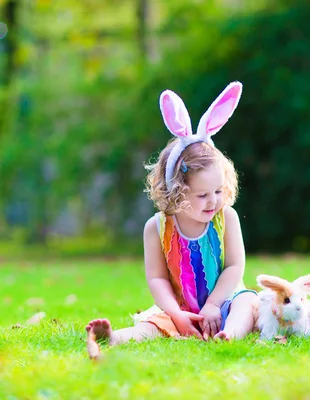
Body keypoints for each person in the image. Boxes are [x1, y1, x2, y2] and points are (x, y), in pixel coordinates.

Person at [86, 82, 256, 357]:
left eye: (218, 190)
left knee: (248, 302)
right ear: (176, 190)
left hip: (224, 303)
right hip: (180, 309)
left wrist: (213, 305)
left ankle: (229, 335)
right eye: (202, 195)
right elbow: (157, 279)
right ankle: (115, 338)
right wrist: (176, 315)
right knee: (153, 325)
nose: (213, 201)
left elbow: (235, 267)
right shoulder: (157, 228)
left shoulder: (226, 217)